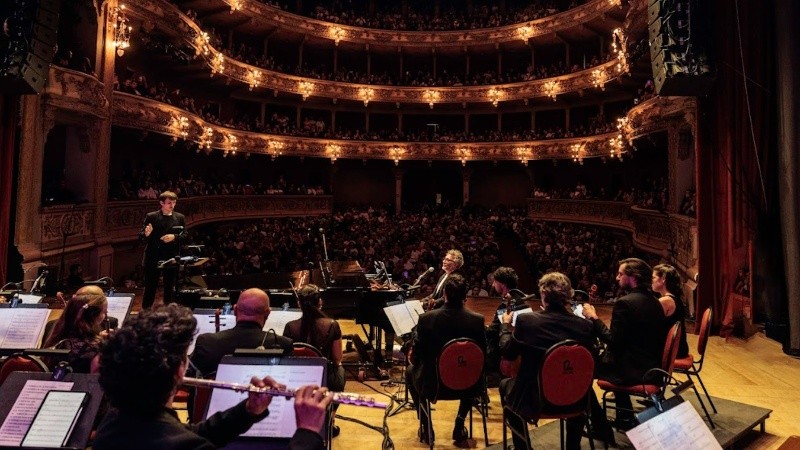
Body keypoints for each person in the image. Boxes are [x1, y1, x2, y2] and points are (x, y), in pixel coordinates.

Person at [93, 304, 328, 450]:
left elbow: (191, 434)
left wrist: (248, 410)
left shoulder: (115, 422)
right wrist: (307, 432)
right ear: (178, 371)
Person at [499, 272, 615, 449]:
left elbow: (507, 353)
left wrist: (506, 326)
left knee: (505, 385)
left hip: (536, 400)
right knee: (574, 383)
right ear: (568, 297)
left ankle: (522, 446)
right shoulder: (585, 326)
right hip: (575, 399)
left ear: (544, 295)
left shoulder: (527, 321)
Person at [582, 257, 667, 429]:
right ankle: (625, 416)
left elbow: (614, 341)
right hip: (651, 366)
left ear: (633, 276)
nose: (616, 278)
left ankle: (600, 426)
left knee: (582, 371)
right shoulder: (655, 302)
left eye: (620, 274)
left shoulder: (625, 303)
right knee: (608, 361)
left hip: (634, 371)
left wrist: (593, 317)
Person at [407, 273, 487, 444]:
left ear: (444, 294)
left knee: (409, 372)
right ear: (466, 296)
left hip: (434, 386)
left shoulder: (427, 319)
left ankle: (426, 425)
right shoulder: (478, 320)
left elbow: (417, 356)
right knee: (468, 367)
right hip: (469, 385)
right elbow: (481, 356)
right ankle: (459, 423)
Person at [191, 288, 293, 377]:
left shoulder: (207, 342)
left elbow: (187, 380)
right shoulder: (284, 344)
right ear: (268, 313)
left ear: (235, 310)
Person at [283, 284, 345, 392]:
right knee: (339, 367)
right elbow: (337, 359)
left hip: (297, 378)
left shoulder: (290, 326)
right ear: (320, 302)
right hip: (323, 378)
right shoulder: (332, 325)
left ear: (299, 304)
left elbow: (286, 357)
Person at [44, 285, 108, 373]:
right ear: (93, 316)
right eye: (104, 312)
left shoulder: (57, 336)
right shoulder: (95, 348)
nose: (105, 315)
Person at [139, 191, 186, 309]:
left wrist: (174, 237)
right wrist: (146, 234)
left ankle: (168, 314)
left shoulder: (180, 217)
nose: (172, 205)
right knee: (150, 288)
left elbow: (185, 235)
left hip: (171, 257)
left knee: (169, 289)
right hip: (153, 257)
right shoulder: (152, 216)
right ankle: (145, 312)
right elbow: (141, 236)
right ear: (161, 203)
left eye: (174, 202)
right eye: (169, 203)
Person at [652, 264, 689, 358]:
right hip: (678, 347)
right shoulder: (674, 297)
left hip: (673, 350)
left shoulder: (665, 301)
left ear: (663, 279)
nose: (650, 280)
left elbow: (650, 325)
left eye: (653, 277)